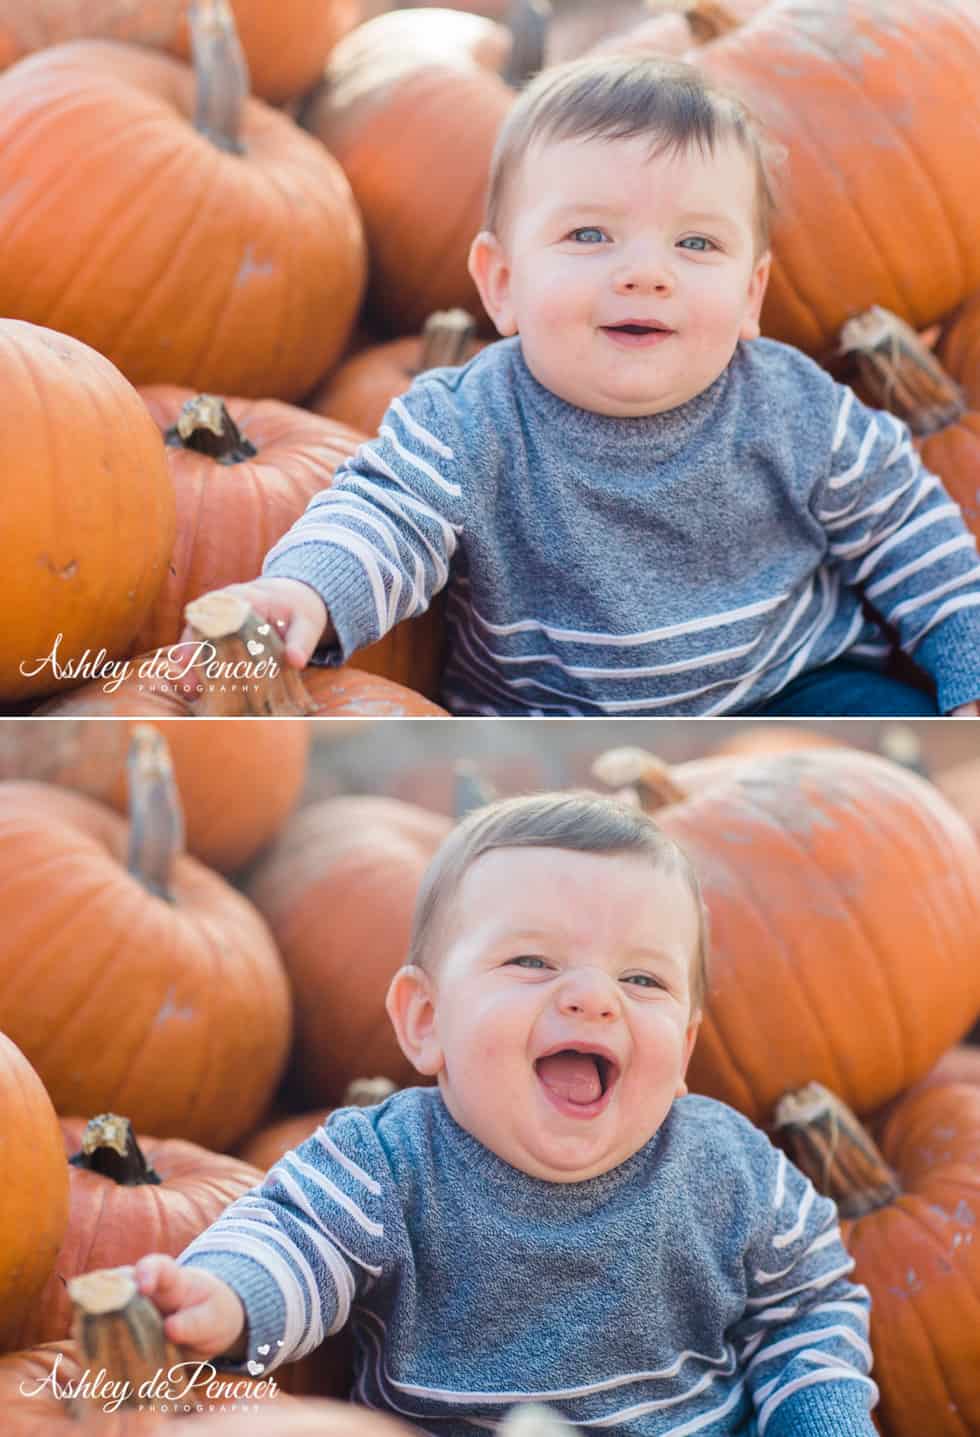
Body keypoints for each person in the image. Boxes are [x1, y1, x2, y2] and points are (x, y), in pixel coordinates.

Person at [184, 53, 980, 717]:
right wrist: (306, 587)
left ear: (750, 296)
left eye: (696, 242)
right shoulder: (466, 423)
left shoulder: (793, 407)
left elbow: (910, 531)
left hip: (794, 684)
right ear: (501, 283)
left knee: (889, 757)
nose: (643, 272)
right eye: (589, 234)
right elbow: (384, 515)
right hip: (551, 722)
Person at [135, 792, 879, 1437]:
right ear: (426, 1018)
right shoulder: (391, 1161)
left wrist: (820, 1418)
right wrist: (230, 1295)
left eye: (642, 977)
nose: (593, 996)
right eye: (533, 962)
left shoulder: (725, 1169)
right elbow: (297, 1236)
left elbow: (806, 1305)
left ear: (683, 1048)